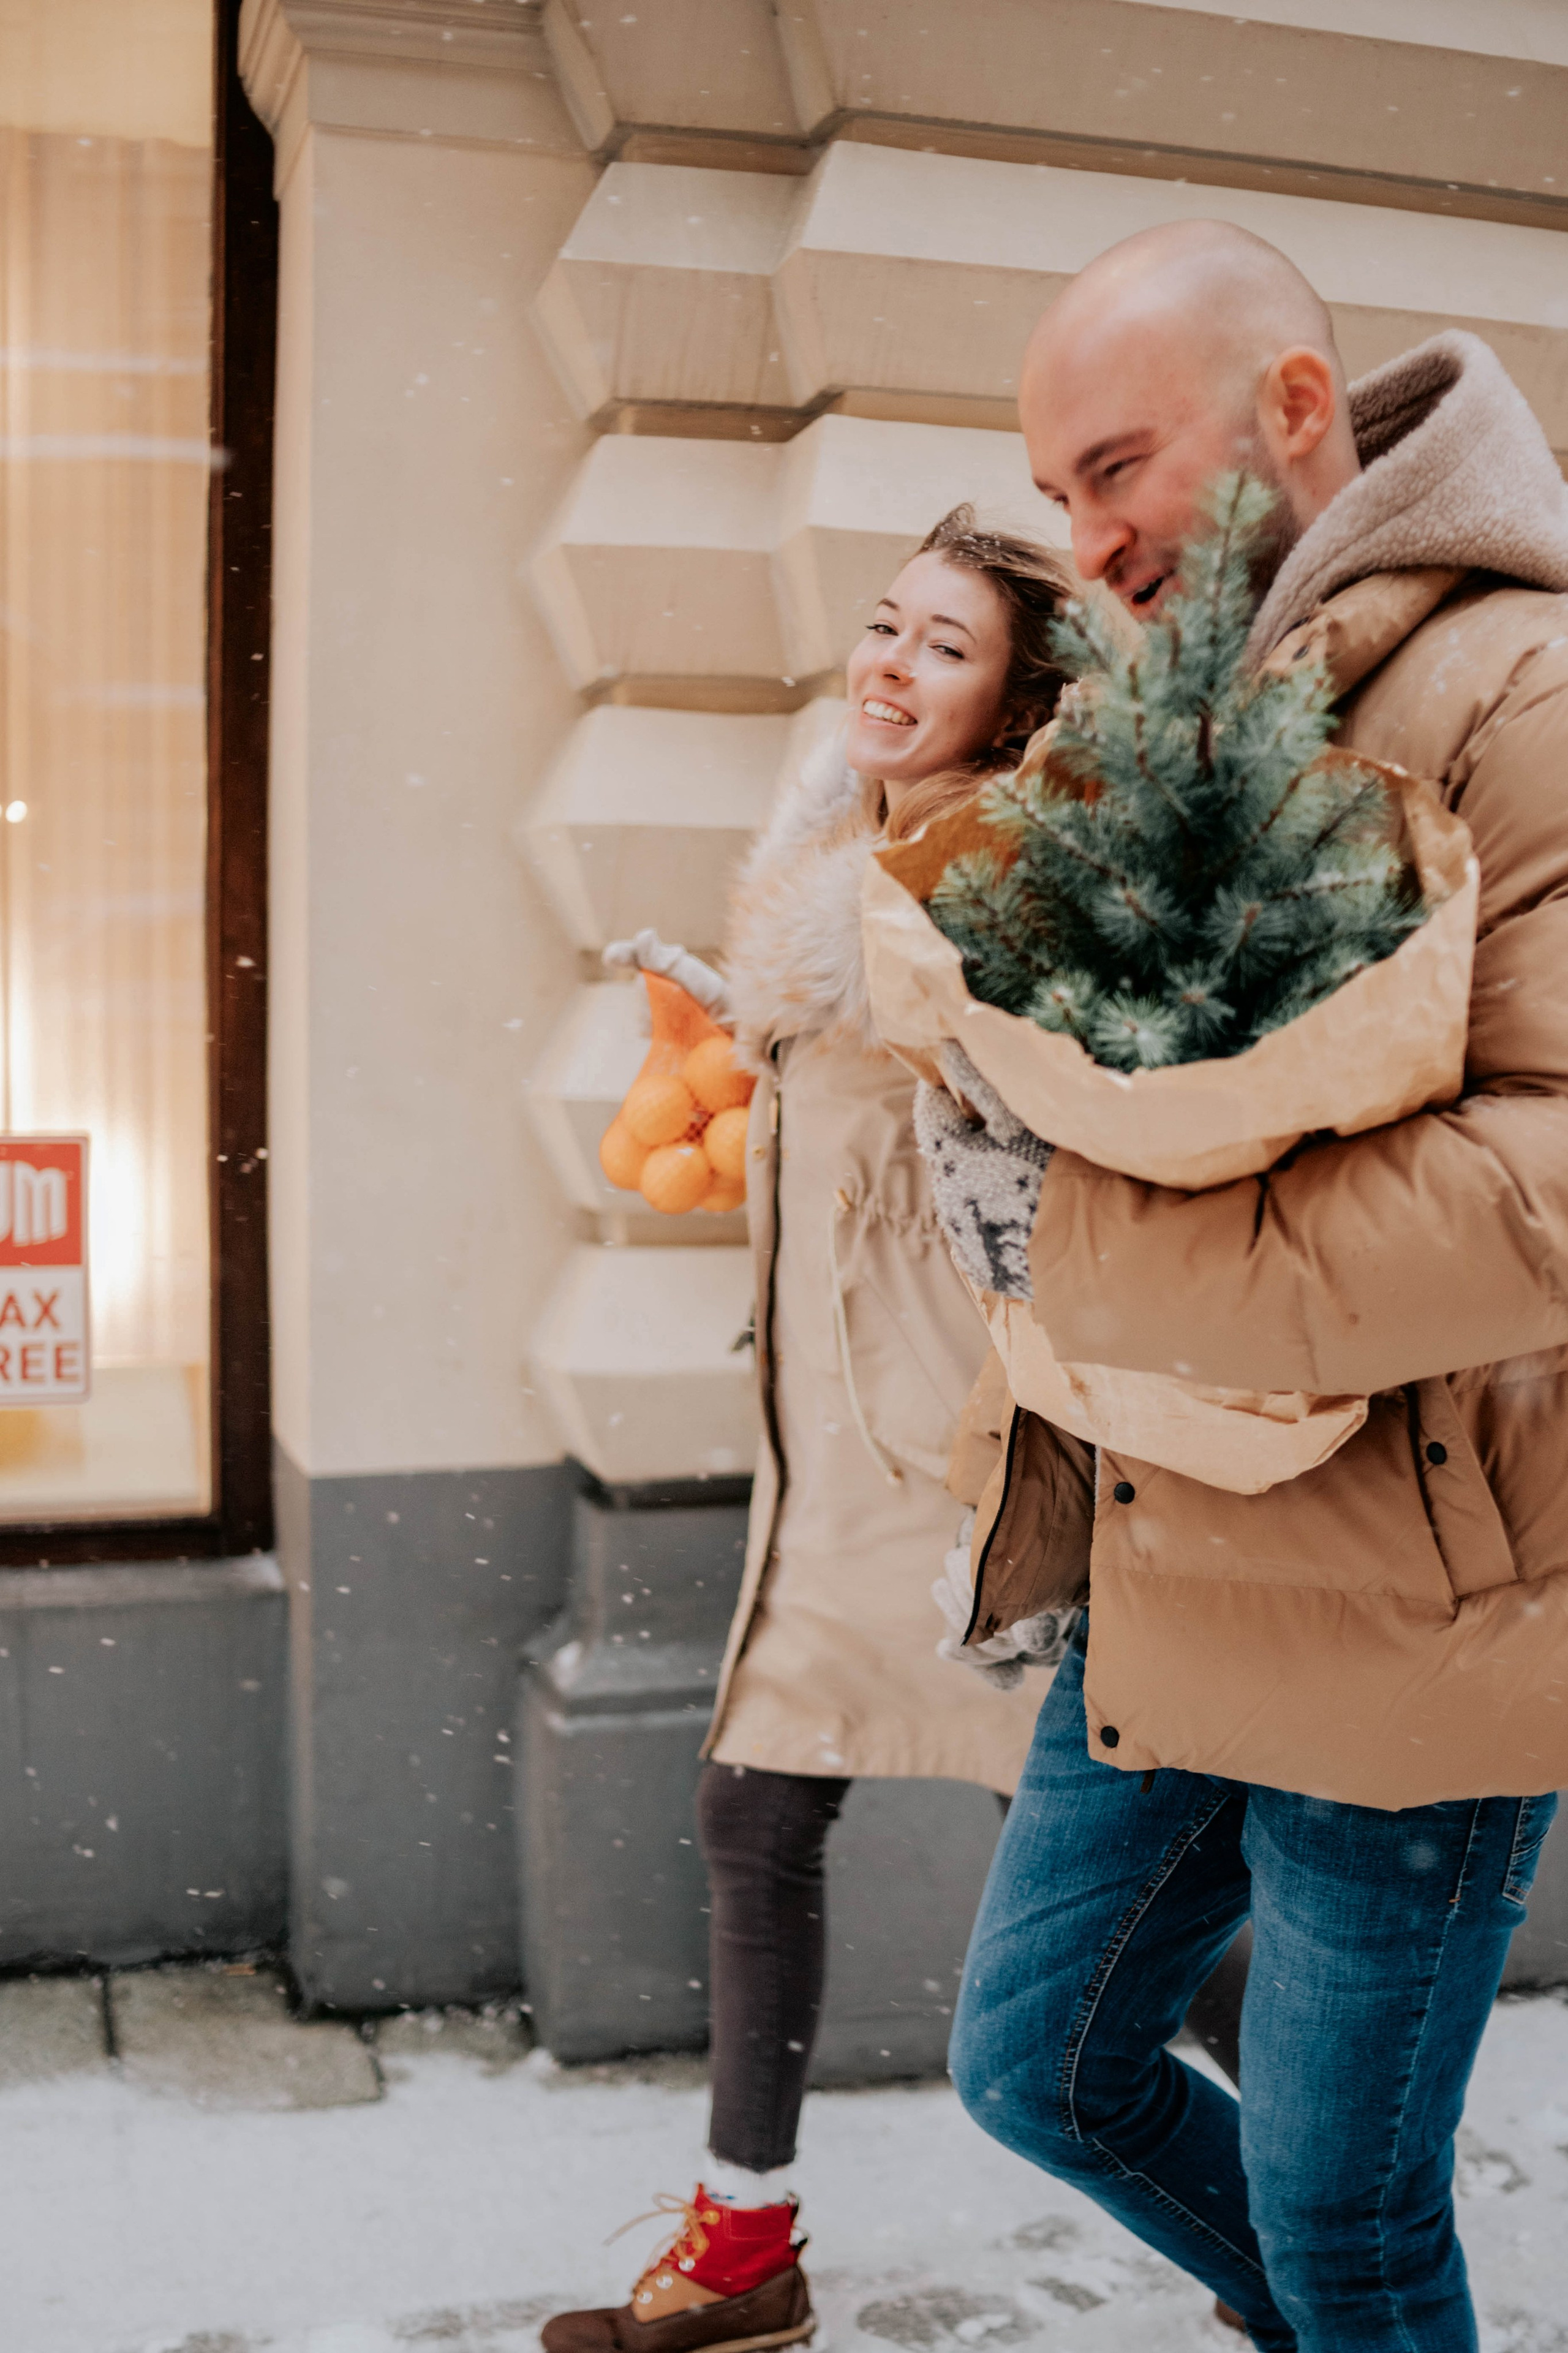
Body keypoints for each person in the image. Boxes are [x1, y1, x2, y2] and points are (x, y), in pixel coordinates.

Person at [921, 220, 1568, 2352]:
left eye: (1115, 468)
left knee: (1351, 2211)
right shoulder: (1163, 712)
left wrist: (1105, 1256)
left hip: (1424, 1611)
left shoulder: (1522, 690)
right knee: (1040, 2066)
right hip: (1171, 1538)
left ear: (1299, 408)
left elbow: (1546, 1180)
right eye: (1057, 497)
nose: (1083, 541)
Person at [542, 509, 1251, 2353]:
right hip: (830, 1462)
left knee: (1118, 1901)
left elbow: (1053, 1150)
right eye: (883, 625)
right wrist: (733, 1063)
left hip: (972, 1474)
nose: (888, 661)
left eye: (944, 645)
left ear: (1014, 701)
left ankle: (1343, 2206)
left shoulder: (994, 889)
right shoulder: (832, 864)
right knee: (757, 1808)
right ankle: (745, 2249)